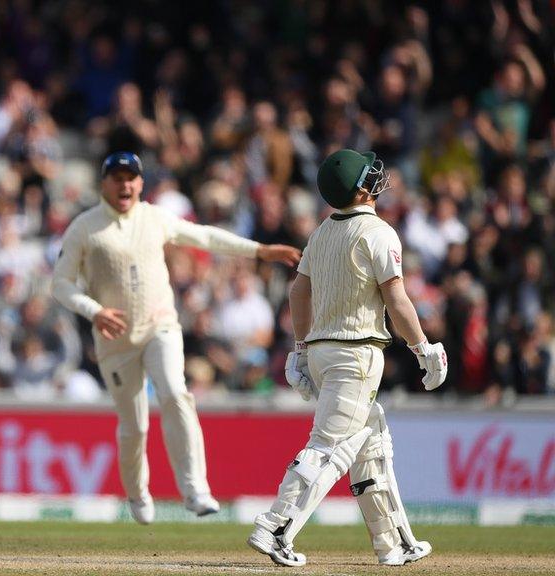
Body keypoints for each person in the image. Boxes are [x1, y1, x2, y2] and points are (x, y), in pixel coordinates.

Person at [52, 152, 301, 524]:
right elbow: (61, 284)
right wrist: (95, 311)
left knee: (175, 393)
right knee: (134, 424)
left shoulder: (154, 217)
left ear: (140, 183)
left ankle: (195, 488)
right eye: (117, 178)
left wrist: (260, 250)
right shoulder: (85, 227)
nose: (125, 185)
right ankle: (137, 493)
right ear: (104, 183)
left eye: (131, 178)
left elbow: (203, 236)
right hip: (115, 340)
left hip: (160, 326)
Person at [248, 149, 447, 567]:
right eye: (369, 173)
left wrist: (300, 351)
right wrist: (422, 347)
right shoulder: (378, 232)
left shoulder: (321, 233)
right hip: (356, 353)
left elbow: (297, 292)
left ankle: (393, 543)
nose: (378, 176)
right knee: (329, 446)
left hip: (324, 351)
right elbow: (396, 297)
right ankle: (275, 527)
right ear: (360, 189)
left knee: (371, 445)